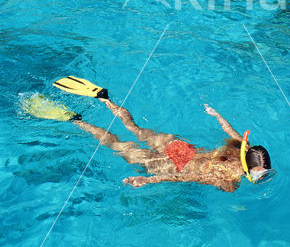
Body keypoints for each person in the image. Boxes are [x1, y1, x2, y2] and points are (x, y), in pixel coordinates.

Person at [23, 76, 274, 193]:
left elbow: (228, 129)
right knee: (116, 144)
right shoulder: (229, 182)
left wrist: (216, 114)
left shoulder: (243, 144)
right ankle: (76, 120)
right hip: (171, 166)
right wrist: (150, 181)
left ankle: (105, 100)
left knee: (135, 129)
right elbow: (187, 177)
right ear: (250, 168)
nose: (260, 177)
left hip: (181, 149)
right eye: (260, 174)